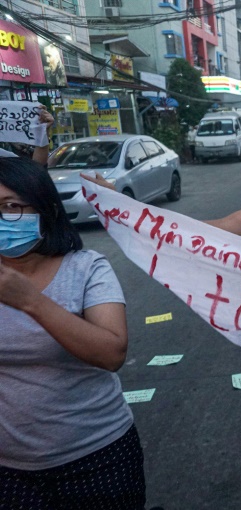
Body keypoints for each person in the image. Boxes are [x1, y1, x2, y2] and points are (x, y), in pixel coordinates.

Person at [0, 157, 145, 508]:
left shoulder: (86, 268)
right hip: (10, 469)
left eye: (10, 207)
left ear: (46, 210)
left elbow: (112, 353)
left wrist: (32, 301)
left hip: (99, 455)